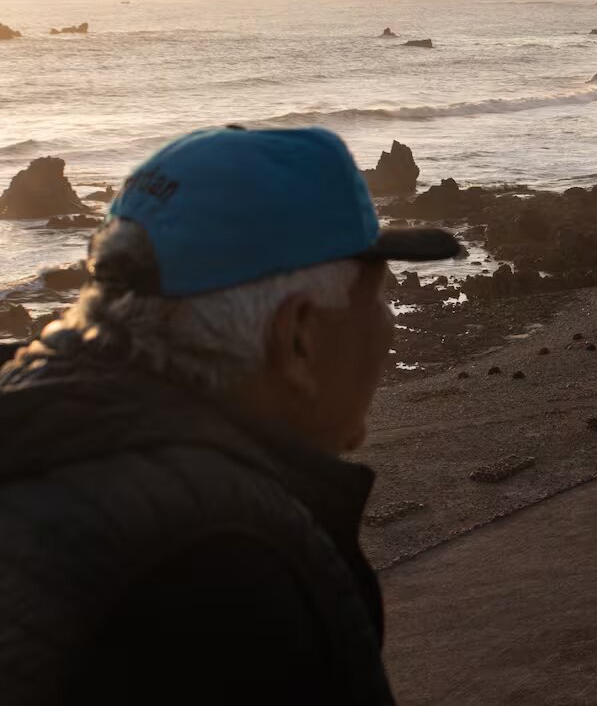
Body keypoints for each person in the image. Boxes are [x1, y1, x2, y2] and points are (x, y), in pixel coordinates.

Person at [0, 126, 463, 704]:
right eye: (377, 297)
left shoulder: (34, 427)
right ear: (297, 338)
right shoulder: (227, 569)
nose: (387, 326)